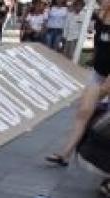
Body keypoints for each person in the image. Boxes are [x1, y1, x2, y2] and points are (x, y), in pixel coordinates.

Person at [47, 0, 110, 167]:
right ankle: (65, 154)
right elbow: (99, 43)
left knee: (102, 120)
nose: (100, 2)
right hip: (99, 72)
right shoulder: (100, 17)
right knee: (83, 112)